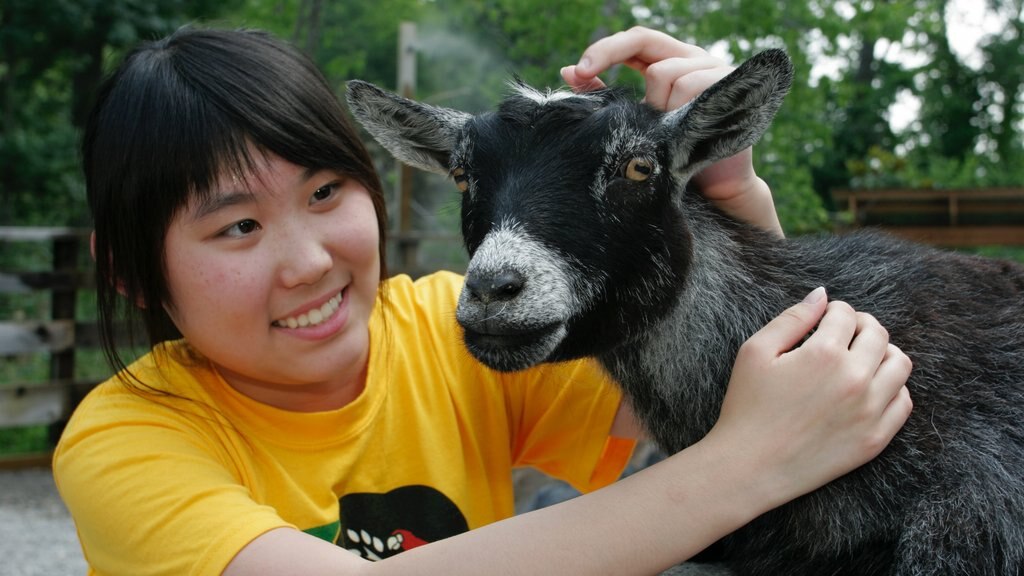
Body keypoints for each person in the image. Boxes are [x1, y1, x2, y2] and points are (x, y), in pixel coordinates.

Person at [53, 25, 912, 576]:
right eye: (237, 228)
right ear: (131, 271)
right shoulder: (128, 439)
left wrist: (716, 189)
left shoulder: (445, 325)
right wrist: (744, 465)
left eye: (324, 195)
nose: (309, 262)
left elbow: (758, 400)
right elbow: (759, 442)